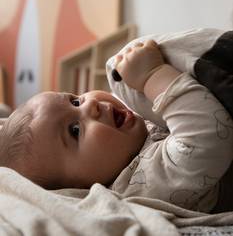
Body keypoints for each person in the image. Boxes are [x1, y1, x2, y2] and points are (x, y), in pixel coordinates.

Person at [0, 40, 232, 213]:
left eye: (75, 100)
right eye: (75, 130)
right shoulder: (142, 186)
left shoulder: (125, 142)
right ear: (81, 187)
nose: (90, 105)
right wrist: (153, 76)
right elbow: (207, 136)